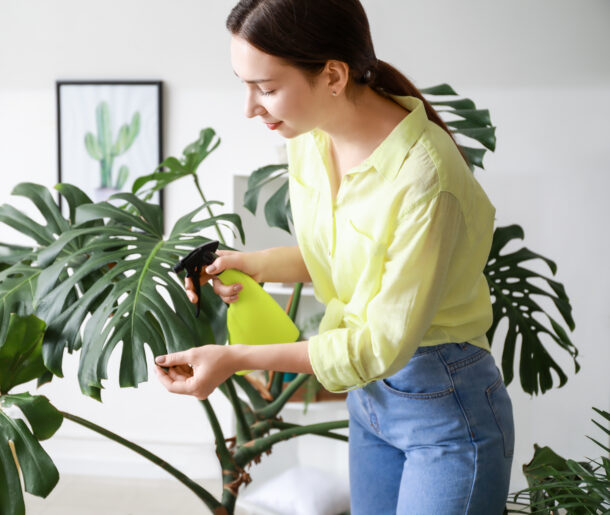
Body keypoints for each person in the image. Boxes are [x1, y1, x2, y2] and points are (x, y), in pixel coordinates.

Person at [154, 0, 515, 513]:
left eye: (267, 87)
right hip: (370, 402)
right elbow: (344, 257)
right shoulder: (310, 140)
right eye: (245, 84)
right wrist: (252, 263)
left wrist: (235, 359)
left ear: (333, 76)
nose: (250, 108)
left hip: (444, 405)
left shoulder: (424, 179)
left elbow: (376, 346)